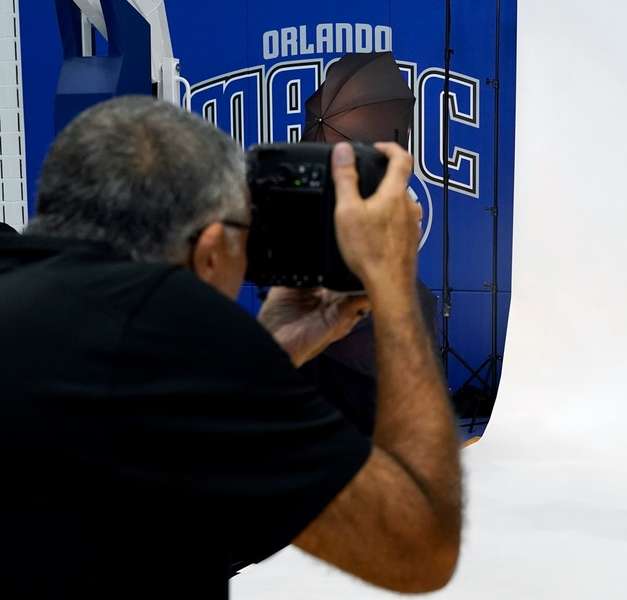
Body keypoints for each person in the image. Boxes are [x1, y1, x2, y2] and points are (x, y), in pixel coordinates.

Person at [0, 96, 461, 597]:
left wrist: (270, 355)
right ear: (211, 251)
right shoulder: (173, 331)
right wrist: (394, 288)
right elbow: (417, 547)